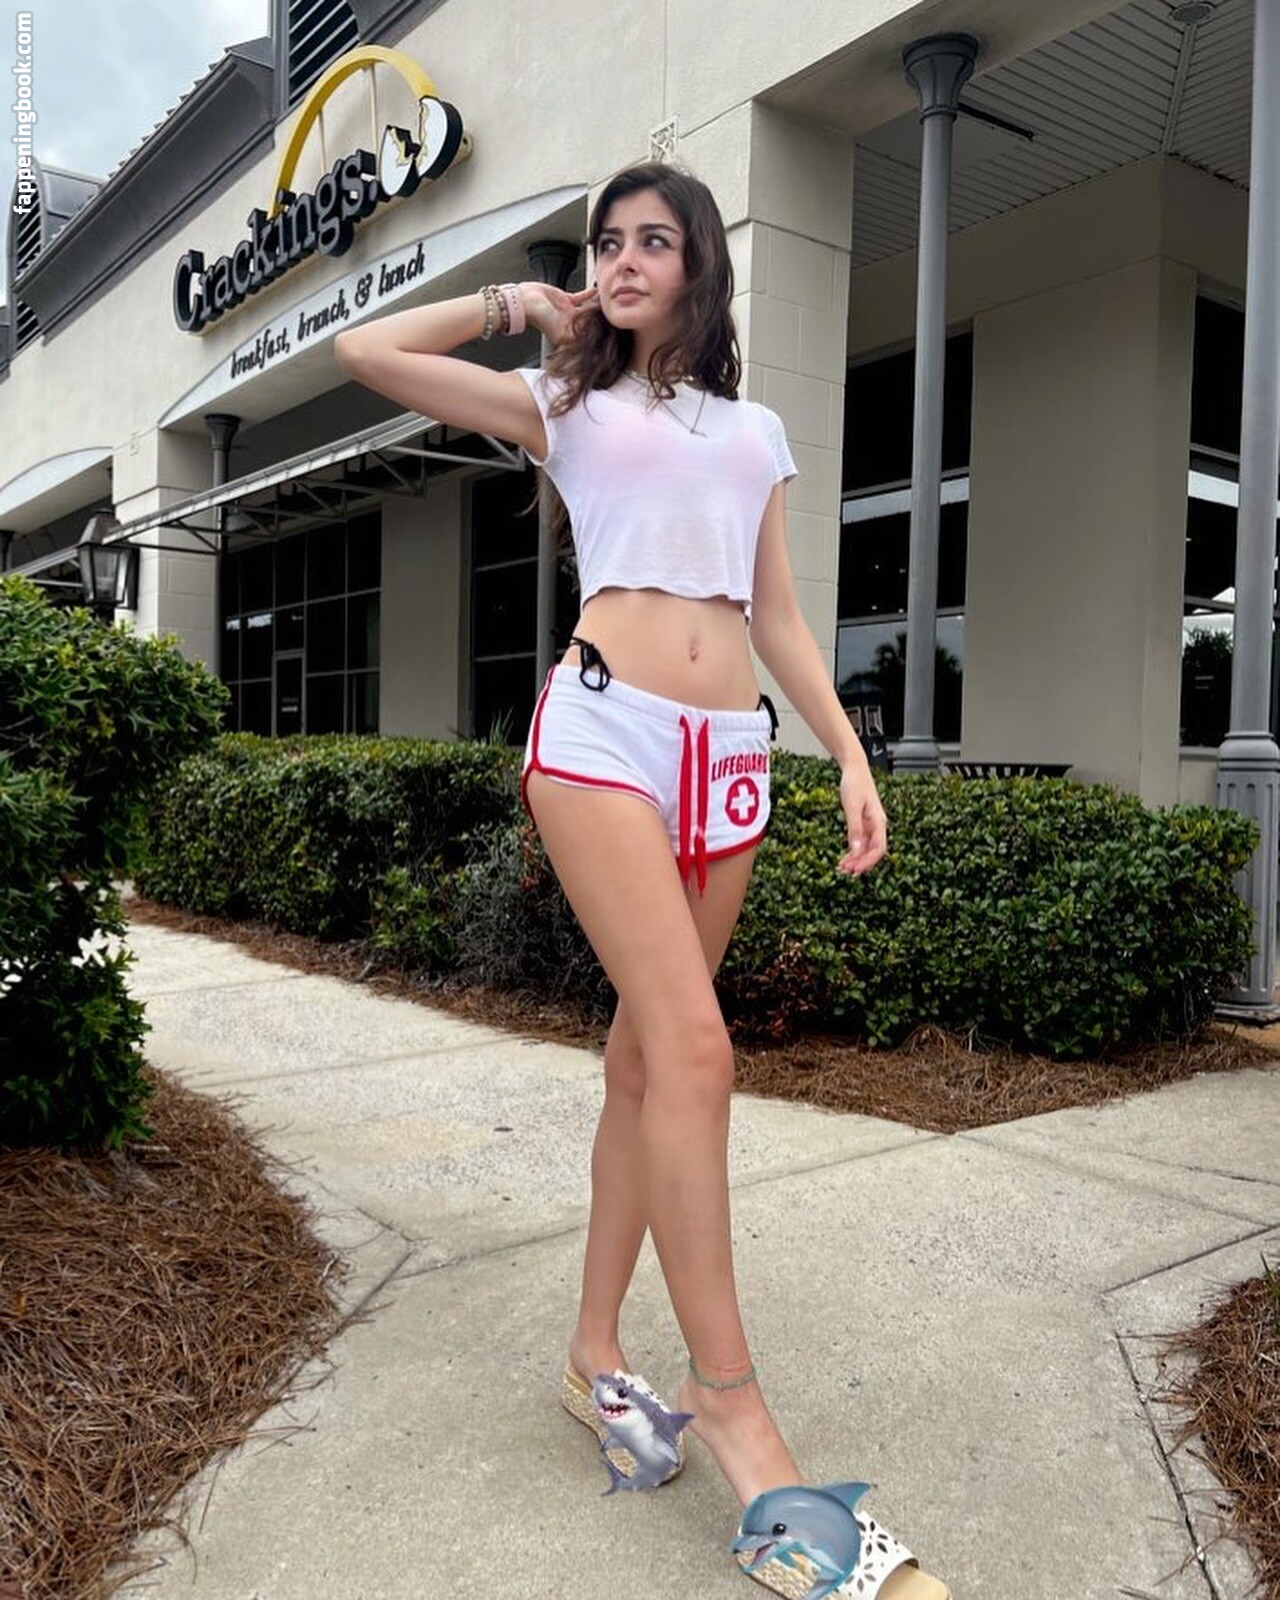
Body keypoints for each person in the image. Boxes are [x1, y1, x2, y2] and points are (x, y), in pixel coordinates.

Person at [335, 161, 949, 1600]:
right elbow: (368, 353)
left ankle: (593, 1352)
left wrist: (849, 752)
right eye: (606, 242)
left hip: (729, 755)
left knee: (640, 1060)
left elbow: (778, 615)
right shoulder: (563, 406)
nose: (622, 260)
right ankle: (736, 1414)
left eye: (651, 241)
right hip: (603, 735)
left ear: (699, 267)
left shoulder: (756, 431)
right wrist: (517, 303)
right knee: (696, 1050)